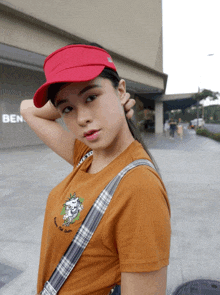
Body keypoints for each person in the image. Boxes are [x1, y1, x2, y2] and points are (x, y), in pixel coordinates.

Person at [20, 43, 171, 295]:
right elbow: (28, 110)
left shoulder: (139, 189)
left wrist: (76, 100)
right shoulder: (87, 155)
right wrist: (66, 101)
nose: (81, 119)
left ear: (121, 91)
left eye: (91, 97)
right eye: (68, 109)